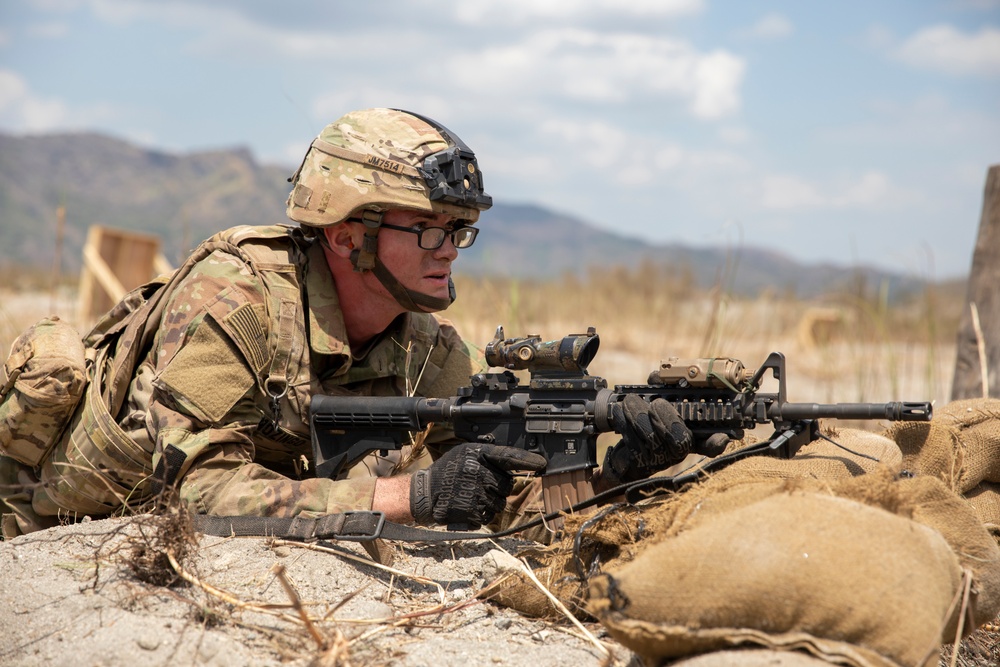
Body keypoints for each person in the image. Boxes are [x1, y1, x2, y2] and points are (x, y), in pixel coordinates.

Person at [0, 108, 694, 540]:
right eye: (426, 228)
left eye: (458, 229)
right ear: (344, 234)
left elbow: (503, 506)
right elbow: (197, 493)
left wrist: (613, 474)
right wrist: (412, 494)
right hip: (44, 518)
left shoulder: (431, 350)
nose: (450, 248)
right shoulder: (238, 300)